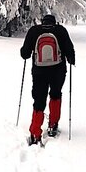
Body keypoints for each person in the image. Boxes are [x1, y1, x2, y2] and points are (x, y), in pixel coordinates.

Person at [20, 14, 75, 145]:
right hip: (58, 71)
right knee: (55, 94)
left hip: (39, 71)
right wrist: (71, 60)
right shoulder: (60, 31)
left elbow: (25, 54)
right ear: (54, 22)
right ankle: (53, 125)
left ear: (42, 22)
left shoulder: (34, 31)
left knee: (39, 100)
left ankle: (34, 132)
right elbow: (70, 51)